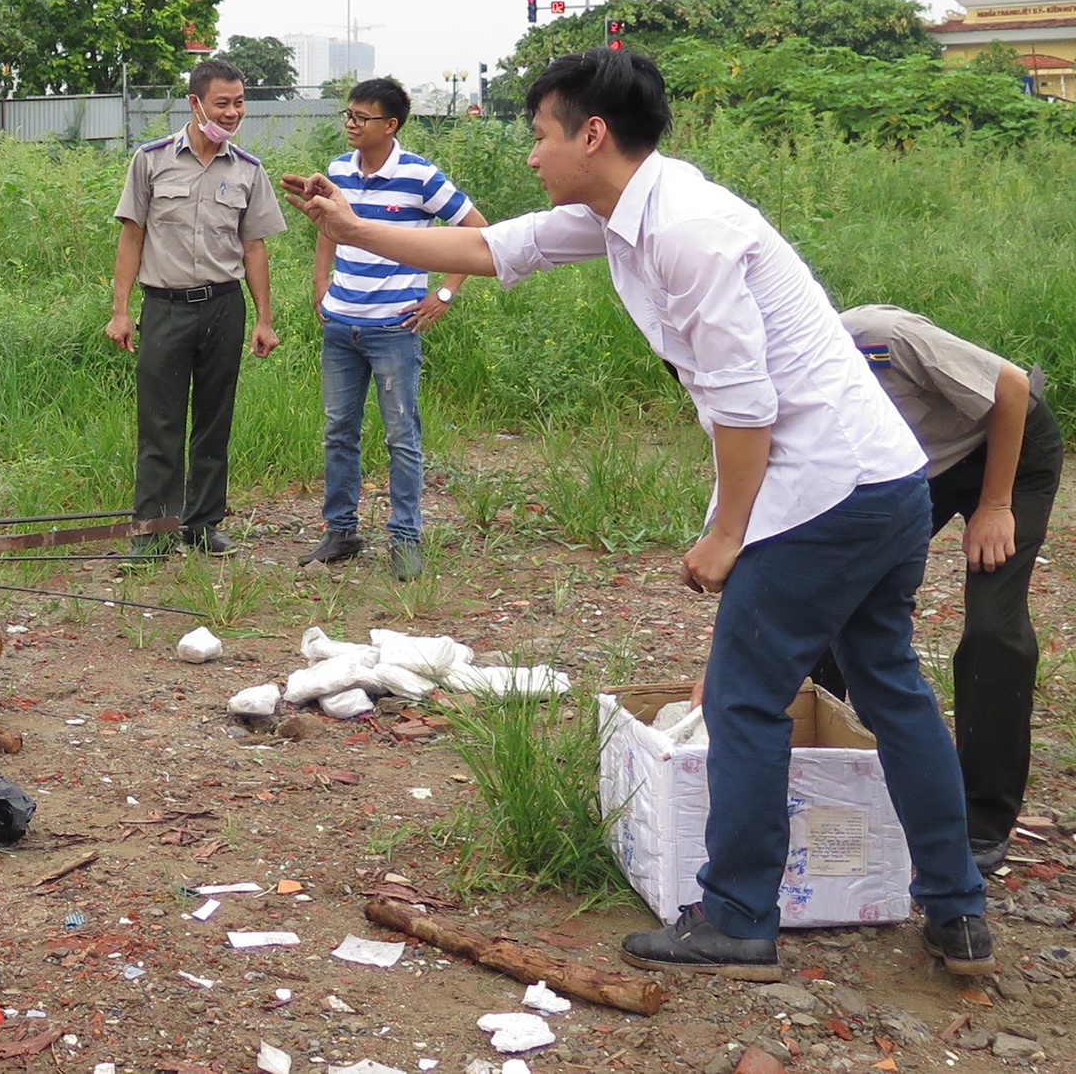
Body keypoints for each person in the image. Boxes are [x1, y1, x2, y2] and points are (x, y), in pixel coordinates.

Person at [279, 48, 992, 980]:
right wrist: (348, 221)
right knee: (891, 687)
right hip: (882, 480)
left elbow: (745, 406)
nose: (530, 154)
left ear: (592, 133)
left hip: (822, 489)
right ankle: (958, 907)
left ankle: (739, 914)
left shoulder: (686, 229)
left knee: (743, 697)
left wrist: (727, 535)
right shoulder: (623, 212)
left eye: (538, 133)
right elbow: (488, 249)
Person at [814, 306, 1064, 872]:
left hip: (1006, 447)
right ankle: (825, 771)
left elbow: (1011, 388)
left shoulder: (880, 339)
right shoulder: (778, 382)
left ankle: (981, 817)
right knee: (827, 605)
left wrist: (995, 506)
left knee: (993, 628)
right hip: (911, 473)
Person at [301, 76, 489, 580]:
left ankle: (405, 537)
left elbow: (480, 232)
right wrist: (321, 280)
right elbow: (327, 226)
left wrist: (445, 292)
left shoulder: (420, 177)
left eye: (361, 117)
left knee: (401, 435)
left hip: (394, 327)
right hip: (341, 323)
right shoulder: (339, 170)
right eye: (348, 114)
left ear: (391, 125)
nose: (350, 124)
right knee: (339, 430)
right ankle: (341, 530)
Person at [109, 58, 284, 558]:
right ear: (196, 103)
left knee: (214, 420)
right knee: (159, 423)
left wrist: (264, 319)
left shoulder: (248, 170)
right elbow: (132, 235)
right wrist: (121, 311)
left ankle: (202, 524)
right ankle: (155, 532)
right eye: (222, 103)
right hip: (164, 307)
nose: (232, 113)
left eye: (239, 103)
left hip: (223, 308)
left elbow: (254, 249)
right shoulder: (152, 159)